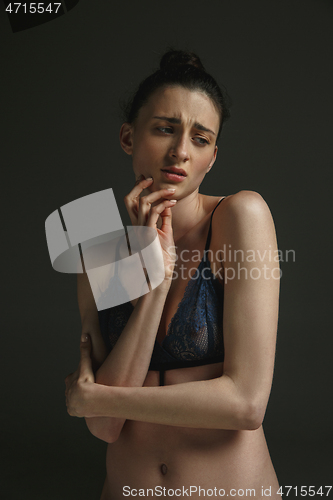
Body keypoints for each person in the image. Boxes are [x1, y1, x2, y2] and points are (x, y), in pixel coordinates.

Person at [65, 49, 281, 499]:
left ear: (213, 157)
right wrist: (156, 283)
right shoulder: (95, 249)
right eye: (164, 128)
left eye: (200, 139)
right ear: (128, 137)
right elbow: (105, 427)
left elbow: (246, 404)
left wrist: (100, 397)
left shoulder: (241, 215)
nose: (180, 151)